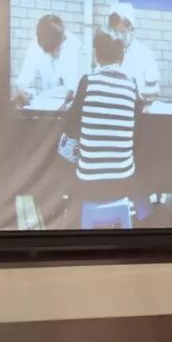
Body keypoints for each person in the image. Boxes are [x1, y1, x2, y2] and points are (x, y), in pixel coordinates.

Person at [64, 28, 142, 226]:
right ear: (122, 57)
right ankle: (142, 214)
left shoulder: (87, 81)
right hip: (123, 182)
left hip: (89, 184)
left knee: (66, 149)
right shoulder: (132, 85)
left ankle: (67, 211)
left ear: (96, 55)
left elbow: (71, 127)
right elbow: (137, 125)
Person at [13, 14, 83, 108]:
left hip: (67, 105)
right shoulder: (36, 44)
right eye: (48, 52)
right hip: (45, 102)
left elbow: (74, 88)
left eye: (55, 50)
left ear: (61, 41)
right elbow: (23, 78)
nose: (53, 55)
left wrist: (69, 98)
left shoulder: (74, 46)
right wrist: (22, 92)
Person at [106, 2, 161, 101]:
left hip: (136, 107)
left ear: (131, 29)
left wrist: (135, 94)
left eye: (122, 32)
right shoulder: (105, 53)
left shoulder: (145, 53)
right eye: (115, 31)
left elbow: (155, 90)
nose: (118, 36)